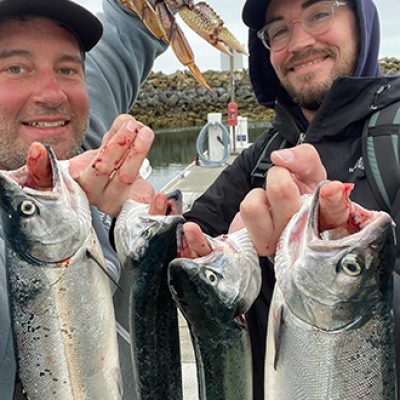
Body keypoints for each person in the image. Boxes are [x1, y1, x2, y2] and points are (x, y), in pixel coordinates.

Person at [173, 0, 400, 399]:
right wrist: (137, 218)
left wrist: (335, 264)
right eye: (278, 30)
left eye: (319, 14)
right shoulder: (263, 154)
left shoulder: (394, 141)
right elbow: (189, 237)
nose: (298, 42)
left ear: (362, 22)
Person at [0, 0, 167, 398]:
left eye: (67, 69)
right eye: (15, 67)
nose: (53, 94)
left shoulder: (75, 146)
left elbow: (131, 32)